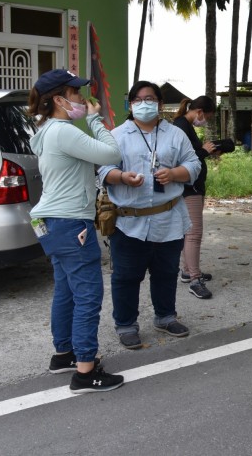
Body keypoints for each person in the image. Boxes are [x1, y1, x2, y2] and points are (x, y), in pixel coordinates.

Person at [28, 69, 124, 393]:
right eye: (75, 93)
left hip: (51, 223)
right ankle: (85, 371)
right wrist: (96, 121)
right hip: (70, 223)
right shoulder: (64, 131)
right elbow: (113, 154)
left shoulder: (46, 131)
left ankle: (64, 353)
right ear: (58, 99)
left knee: (66, 290)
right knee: (88, 295)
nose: (82, 99)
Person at [97, 81, 201, 350]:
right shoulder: (116, 135)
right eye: (139, 99)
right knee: (126, 276)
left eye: (151, 98)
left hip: (169, 217)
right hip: (129, 221)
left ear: (159, 103)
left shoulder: (175, 134)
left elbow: (194, 164)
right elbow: (101, 170)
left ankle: (165, 317)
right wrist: (121, 176)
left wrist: (175, 173)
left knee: (166, 272)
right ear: (131, 105)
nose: (145, 103)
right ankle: (126, 325)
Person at [172, 95, 217, 300]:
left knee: (187, 231)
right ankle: (195, 280)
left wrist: (204, 151)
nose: (205, 120)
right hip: (189, 187)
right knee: (193, 233)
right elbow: (181, 159)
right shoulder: (181, 126)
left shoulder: (184, 125)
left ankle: (187, 270)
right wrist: (204, 152)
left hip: (192, 186)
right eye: (206, 116)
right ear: (199, 112)